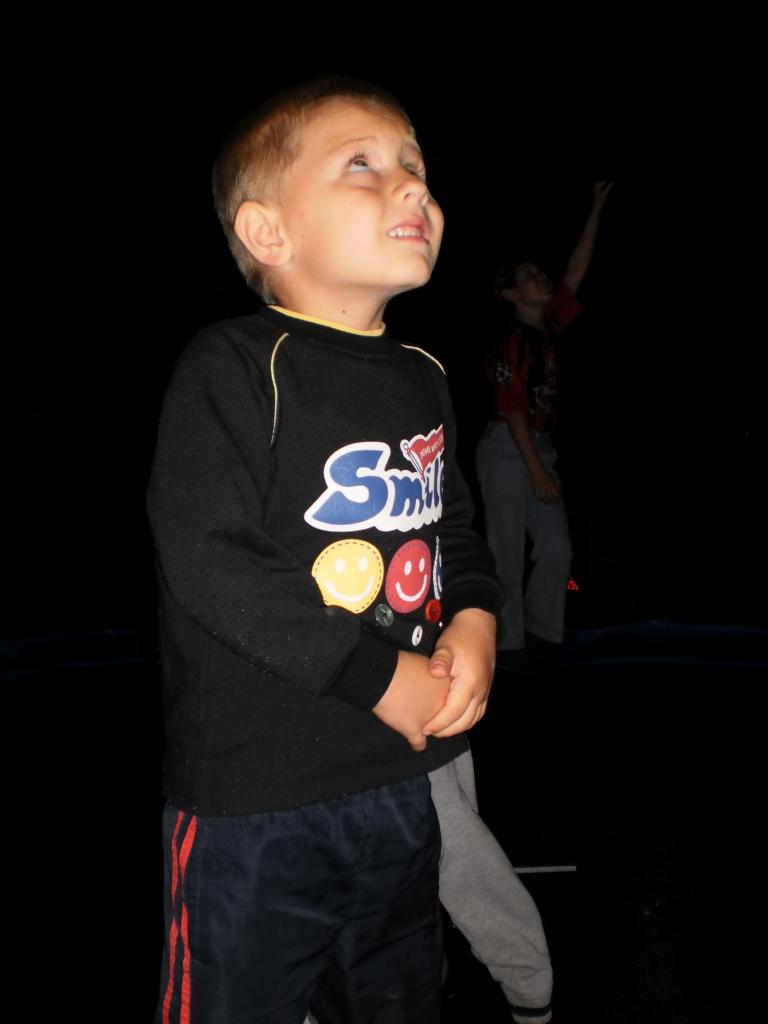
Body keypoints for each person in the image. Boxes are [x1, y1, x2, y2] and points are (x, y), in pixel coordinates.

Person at [147, 77, 502, 1024]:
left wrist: (473, 619)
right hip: (256, 802)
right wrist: (378, 676)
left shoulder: (422, 374)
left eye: (416, 166)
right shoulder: (233, 364)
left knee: (397, 1000)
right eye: (364, 165)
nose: (413, 186)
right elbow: (208, 557)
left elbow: (453, 529)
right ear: (269, 232)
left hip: (397, 782)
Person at [476, 182, 613, 655]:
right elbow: (511, 406)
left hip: (539, 448)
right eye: (530, 276)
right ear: (512, 293)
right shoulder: (511, 341)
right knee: (507, 552)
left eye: (540, 272)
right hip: (507, 447)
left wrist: (596, 207)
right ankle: (506, 647)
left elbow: (575, 271)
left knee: (557, 549)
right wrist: (536, 470)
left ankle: (541, 635)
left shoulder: (549, 327)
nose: (542, 277)